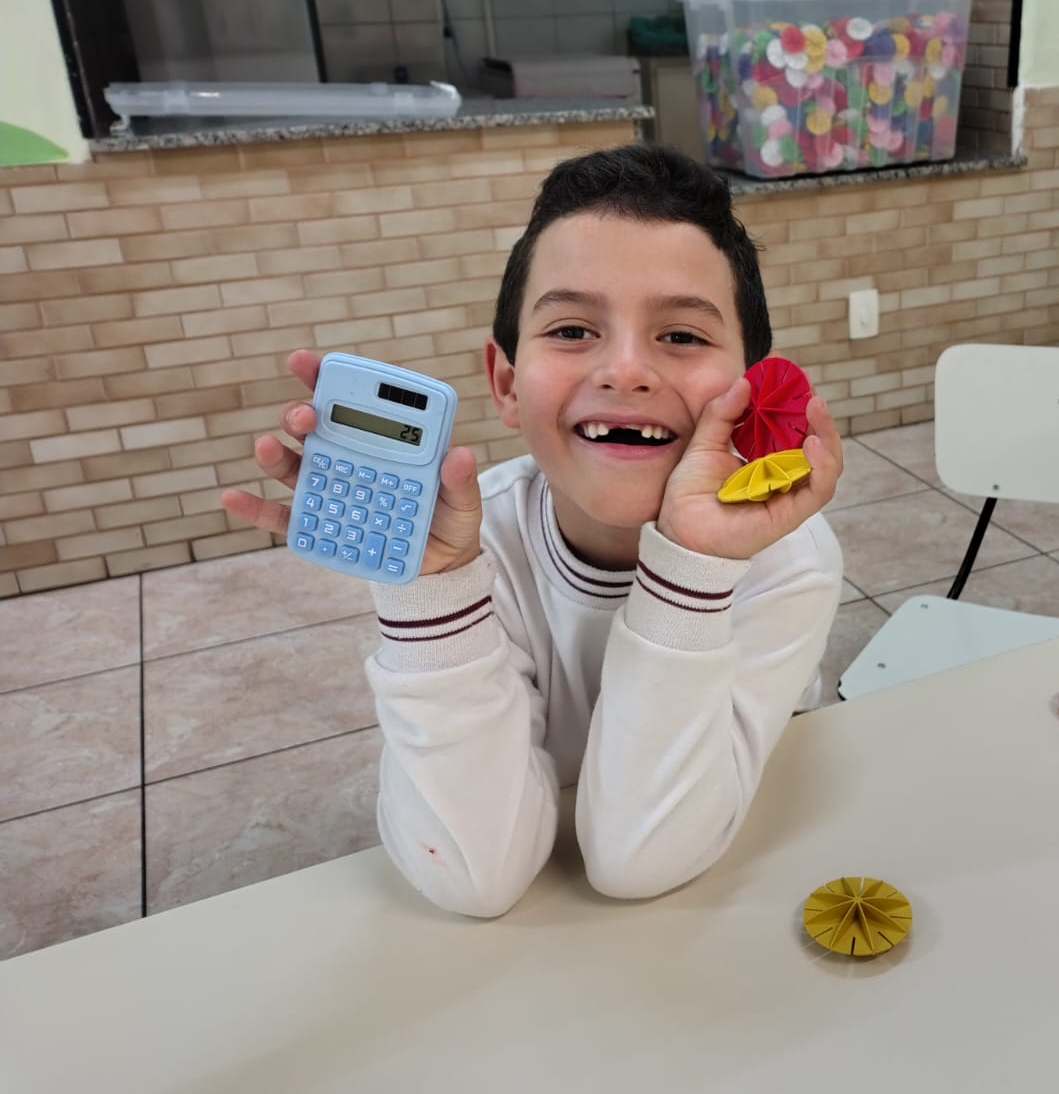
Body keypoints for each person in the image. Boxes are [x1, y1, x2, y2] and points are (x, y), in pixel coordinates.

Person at [222, 144, 845, 914]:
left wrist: (693, 570)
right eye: (573, 330)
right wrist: (430, 598)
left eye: (682, 336)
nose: (626, 371)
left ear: (751, 389)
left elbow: (636, 862)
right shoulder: (466, 549)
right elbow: (472, 878)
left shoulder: (788, 561)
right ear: (507, 384)